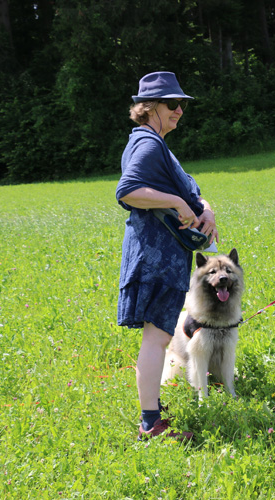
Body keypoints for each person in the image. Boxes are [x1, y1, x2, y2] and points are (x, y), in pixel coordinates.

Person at [115, 71, 218, 439]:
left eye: (182, 105)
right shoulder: (147, 142)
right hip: (155, 254)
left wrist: (204, 207)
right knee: (157, 338)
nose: (179, 111)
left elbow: (188, 189)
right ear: (149, 108)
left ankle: (152, 411)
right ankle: (150, 424)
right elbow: (127, 190)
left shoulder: (155, 143)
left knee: (156, 336)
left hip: (163, 254)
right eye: (172, 104)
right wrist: (176, 201)